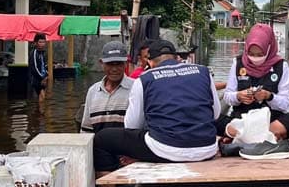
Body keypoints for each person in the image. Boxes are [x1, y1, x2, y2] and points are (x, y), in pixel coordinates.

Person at [93, 40, 220, 174]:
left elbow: (132, 125)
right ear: (177, 58)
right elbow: (215, 114)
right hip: (207, 147)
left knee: (103, 139)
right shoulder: (203, 71)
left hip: (165, 149)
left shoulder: (144, 79)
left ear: (150, 62)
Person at [218, 23, 289, 142]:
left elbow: (284, 104)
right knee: (212, 118)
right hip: (242, 119)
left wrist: (269, 96)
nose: (255, 58)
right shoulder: (238, 63)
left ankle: (241, 137)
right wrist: (239, 96)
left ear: (269, 49)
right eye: (251, 54)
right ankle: (263, 137)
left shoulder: (281, 66)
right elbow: (227, 96)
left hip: (270, 120)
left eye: (260, 54)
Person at [80, 41, 134, 187]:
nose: (115, 68)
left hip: (126, 161)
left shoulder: (136, 88)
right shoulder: (93, 92)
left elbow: (142, 127)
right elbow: (86, 130)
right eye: (111, 64)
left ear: (126, 63)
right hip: (100, 162)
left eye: (119, 63)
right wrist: (86, 162)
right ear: (102, 63)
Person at [28, 33, 48, 102]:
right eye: (40, 42)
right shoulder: (34, 53)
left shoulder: (43, 53)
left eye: (43, 42)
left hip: (43, 78)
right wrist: (42, 78)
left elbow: (44, 65)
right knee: (40, 96)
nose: (42, 44)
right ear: (36, 43)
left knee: (42, 97)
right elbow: (34, 68)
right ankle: (40, 111)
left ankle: (40, 111)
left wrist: (46, 76)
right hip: (36, 79)